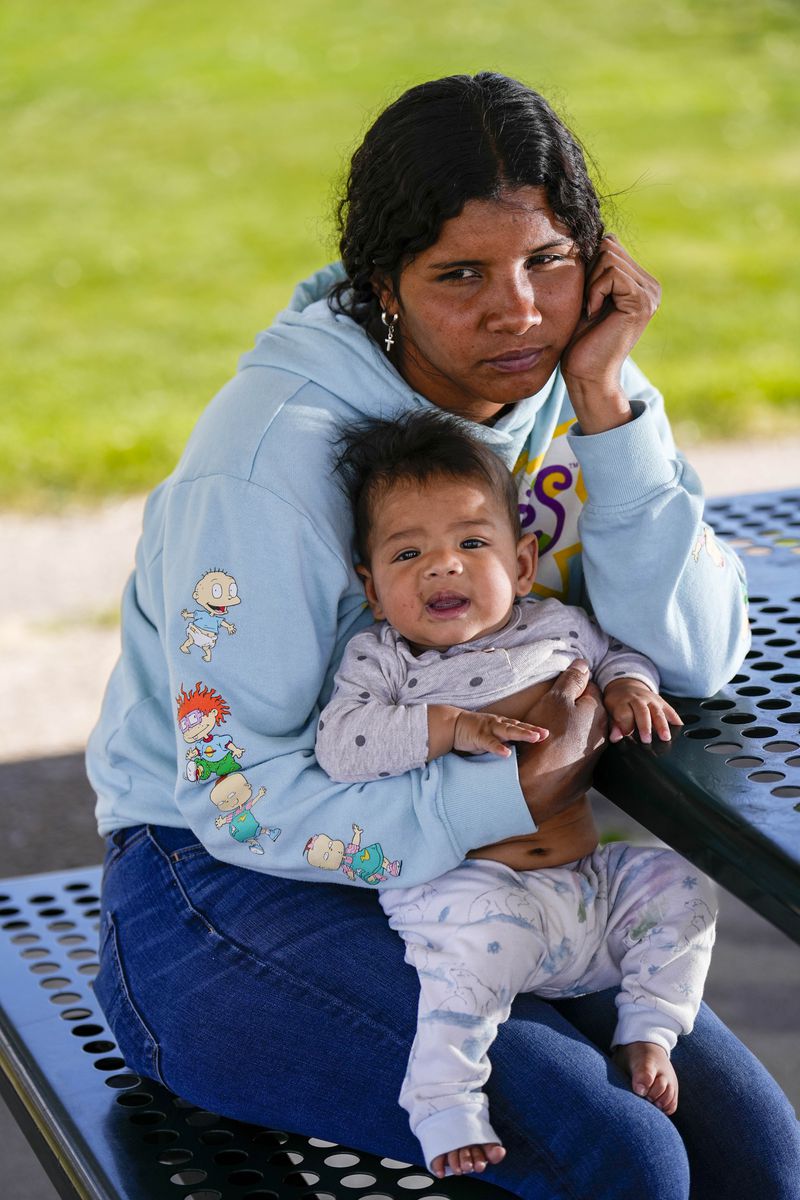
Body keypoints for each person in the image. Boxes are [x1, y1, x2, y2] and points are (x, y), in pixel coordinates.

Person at [87, 72, 799, 1199]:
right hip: (218, 893)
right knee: (621, 1159)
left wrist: (609, 405)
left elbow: (698, 652)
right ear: (385, 286)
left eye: (547, 262)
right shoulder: (265, 466)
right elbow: (234, 797)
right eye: (458, 275)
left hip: (493, 880)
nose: (515, 309)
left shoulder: (570, 388)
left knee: (754, 1158)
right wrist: (499, 801)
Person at [316, 409, 717, 1178]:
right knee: (459, 984)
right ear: (370, 588)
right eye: (409, 552)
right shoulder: (385, 663)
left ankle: (650, 1027)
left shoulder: (557, 627)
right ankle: (443, 1102)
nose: (444, 567)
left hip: (583, 893)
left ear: (524, 563)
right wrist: (448, 726)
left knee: (676, 883)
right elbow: (343, 745)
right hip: (471, 893)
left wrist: (629, 687)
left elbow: (623, 651)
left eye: (472, 543)